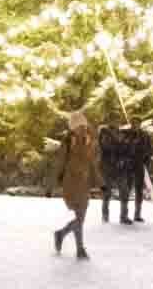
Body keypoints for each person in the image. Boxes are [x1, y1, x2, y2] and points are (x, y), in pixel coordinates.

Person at [54, 111, 100, 260]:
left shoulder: (89, 142)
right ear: (72, 128)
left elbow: (93, 164)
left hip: (84, 184)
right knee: (79, 218)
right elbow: (59, 164)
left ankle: (61, 234)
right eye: (79, 126)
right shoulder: (68, 142)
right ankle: (79, 249)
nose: (82, 129)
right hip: (71, 184)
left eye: (83, 126)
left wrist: (101, 183)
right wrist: (49, 185)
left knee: (80, 218)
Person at [98, 125, 130, 224]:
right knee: (106, 194)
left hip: (120, 171)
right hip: (107, 170)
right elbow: (105, 147)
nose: (116, 134)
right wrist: (117, 141)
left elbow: (125, 152)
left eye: (117, 132)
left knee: (124, 193)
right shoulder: (105, 137)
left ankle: (123, 217)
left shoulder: (122, 138)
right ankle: (105, 217)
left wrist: (123, 158)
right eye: (114, 132)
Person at [124, 117, 153, 222]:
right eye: (133, 123)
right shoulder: (125, 134)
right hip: (128, 165)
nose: (135, 125)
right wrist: (131, 141)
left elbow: (149, 150)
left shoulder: (145, 135)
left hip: (140, 166)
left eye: (137, 123)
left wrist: (146, 163)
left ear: (140, 124)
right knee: (127, 190)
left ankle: (137, 214)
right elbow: (122, 147)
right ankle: (124, 215)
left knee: (139, 191)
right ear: (131, 124)